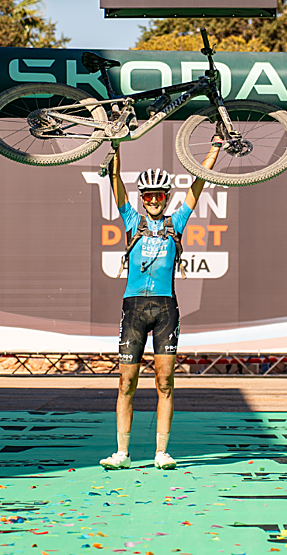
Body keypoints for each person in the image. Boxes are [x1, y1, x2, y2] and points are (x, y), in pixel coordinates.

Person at [100, 144, 219, 471]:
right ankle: (122, 453)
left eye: (159, 195)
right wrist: (116, 145)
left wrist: (215, 148)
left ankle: (161, 453)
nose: (153, 200)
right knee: (126, 383)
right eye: (148, 195)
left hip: (166, 309)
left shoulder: (176, 222)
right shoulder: (131, 219)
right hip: (134, 310)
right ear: (143, 198)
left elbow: (199, 184)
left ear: (166, 197)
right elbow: (116, 182)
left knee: (165, 382)